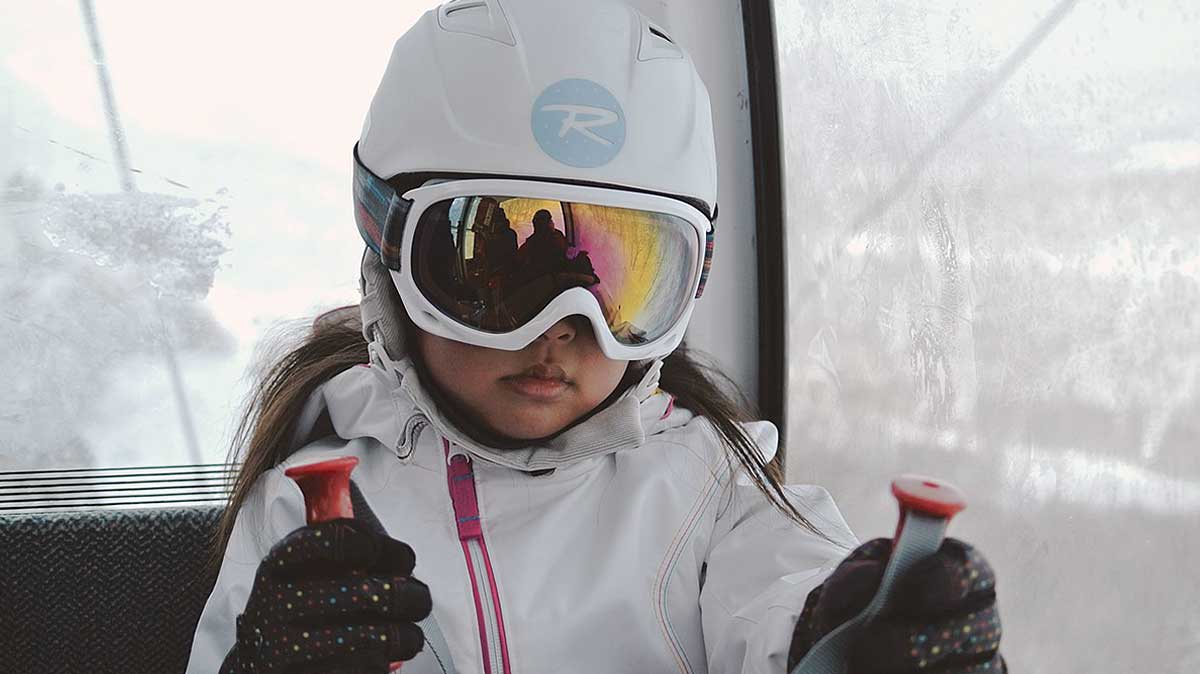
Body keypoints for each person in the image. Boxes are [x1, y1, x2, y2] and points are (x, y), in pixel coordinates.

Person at [187, 1, 1005, 673]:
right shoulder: (314, 516)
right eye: (498, 273)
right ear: (394, 255)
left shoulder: (709, 487)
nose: (563, 333)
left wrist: (853, 632)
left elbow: (785, 589)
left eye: (623, 280)